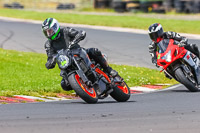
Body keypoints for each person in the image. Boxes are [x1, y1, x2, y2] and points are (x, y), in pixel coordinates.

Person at [42, 18, 117, 91]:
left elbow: (80, 33)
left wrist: (76, 39)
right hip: (66, 63)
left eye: (50, 31)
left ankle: (109, 70)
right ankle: (81, 87)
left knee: (94, 51)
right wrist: (50, 63)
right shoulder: (48, 44)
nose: (49, 33)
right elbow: (50, 57)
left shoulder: (65, 31)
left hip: (78, 53)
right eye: (47, 32)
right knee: (64, 85)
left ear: (56, 27)